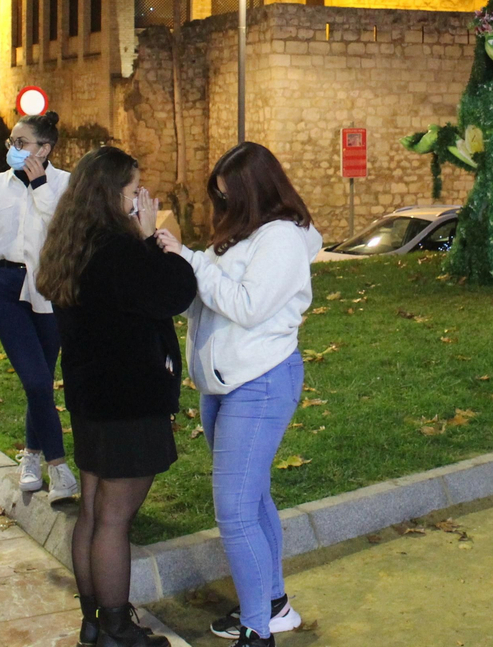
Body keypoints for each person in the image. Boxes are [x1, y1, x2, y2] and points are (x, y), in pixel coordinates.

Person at [157, 142, 322, 647]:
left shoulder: (283, 239)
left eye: (230, 198)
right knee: (251, 501)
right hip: (224, 386)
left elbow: (247, 306)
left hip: (260, 383)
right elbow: (205, 304)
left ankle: (258, 630)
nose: (223, 208)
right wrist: (169, 268)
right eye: (219, 198)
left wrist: (190, 260)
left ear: (256, 192)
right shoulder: (238, 235)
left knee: (233, 511)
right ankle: (272, 604)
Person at [37, 147, 196, 647]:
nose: (140, 199)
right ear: (110, 194)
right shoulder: (119, 249)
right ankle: (117, 629)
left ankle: (94, 621)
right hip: (129, 399)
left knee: (91, 510)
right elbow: (174, 292)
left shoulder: (72, 243)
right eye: (133, 191)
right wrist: (154, 238)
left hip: (90, 397)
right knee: (113, 518)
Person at [0, 111, 76, 502]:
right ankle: (59, 467)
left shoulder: (64, 184)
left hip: (48, 289)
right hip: (8, 286)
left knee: (42, 379)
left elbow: (63, 231)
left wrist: (40, 185)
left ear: (45, 149)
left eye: (21, 143)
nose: (12, 149)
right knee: (35, 380)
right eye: (11, 142)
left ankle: (30, 455)